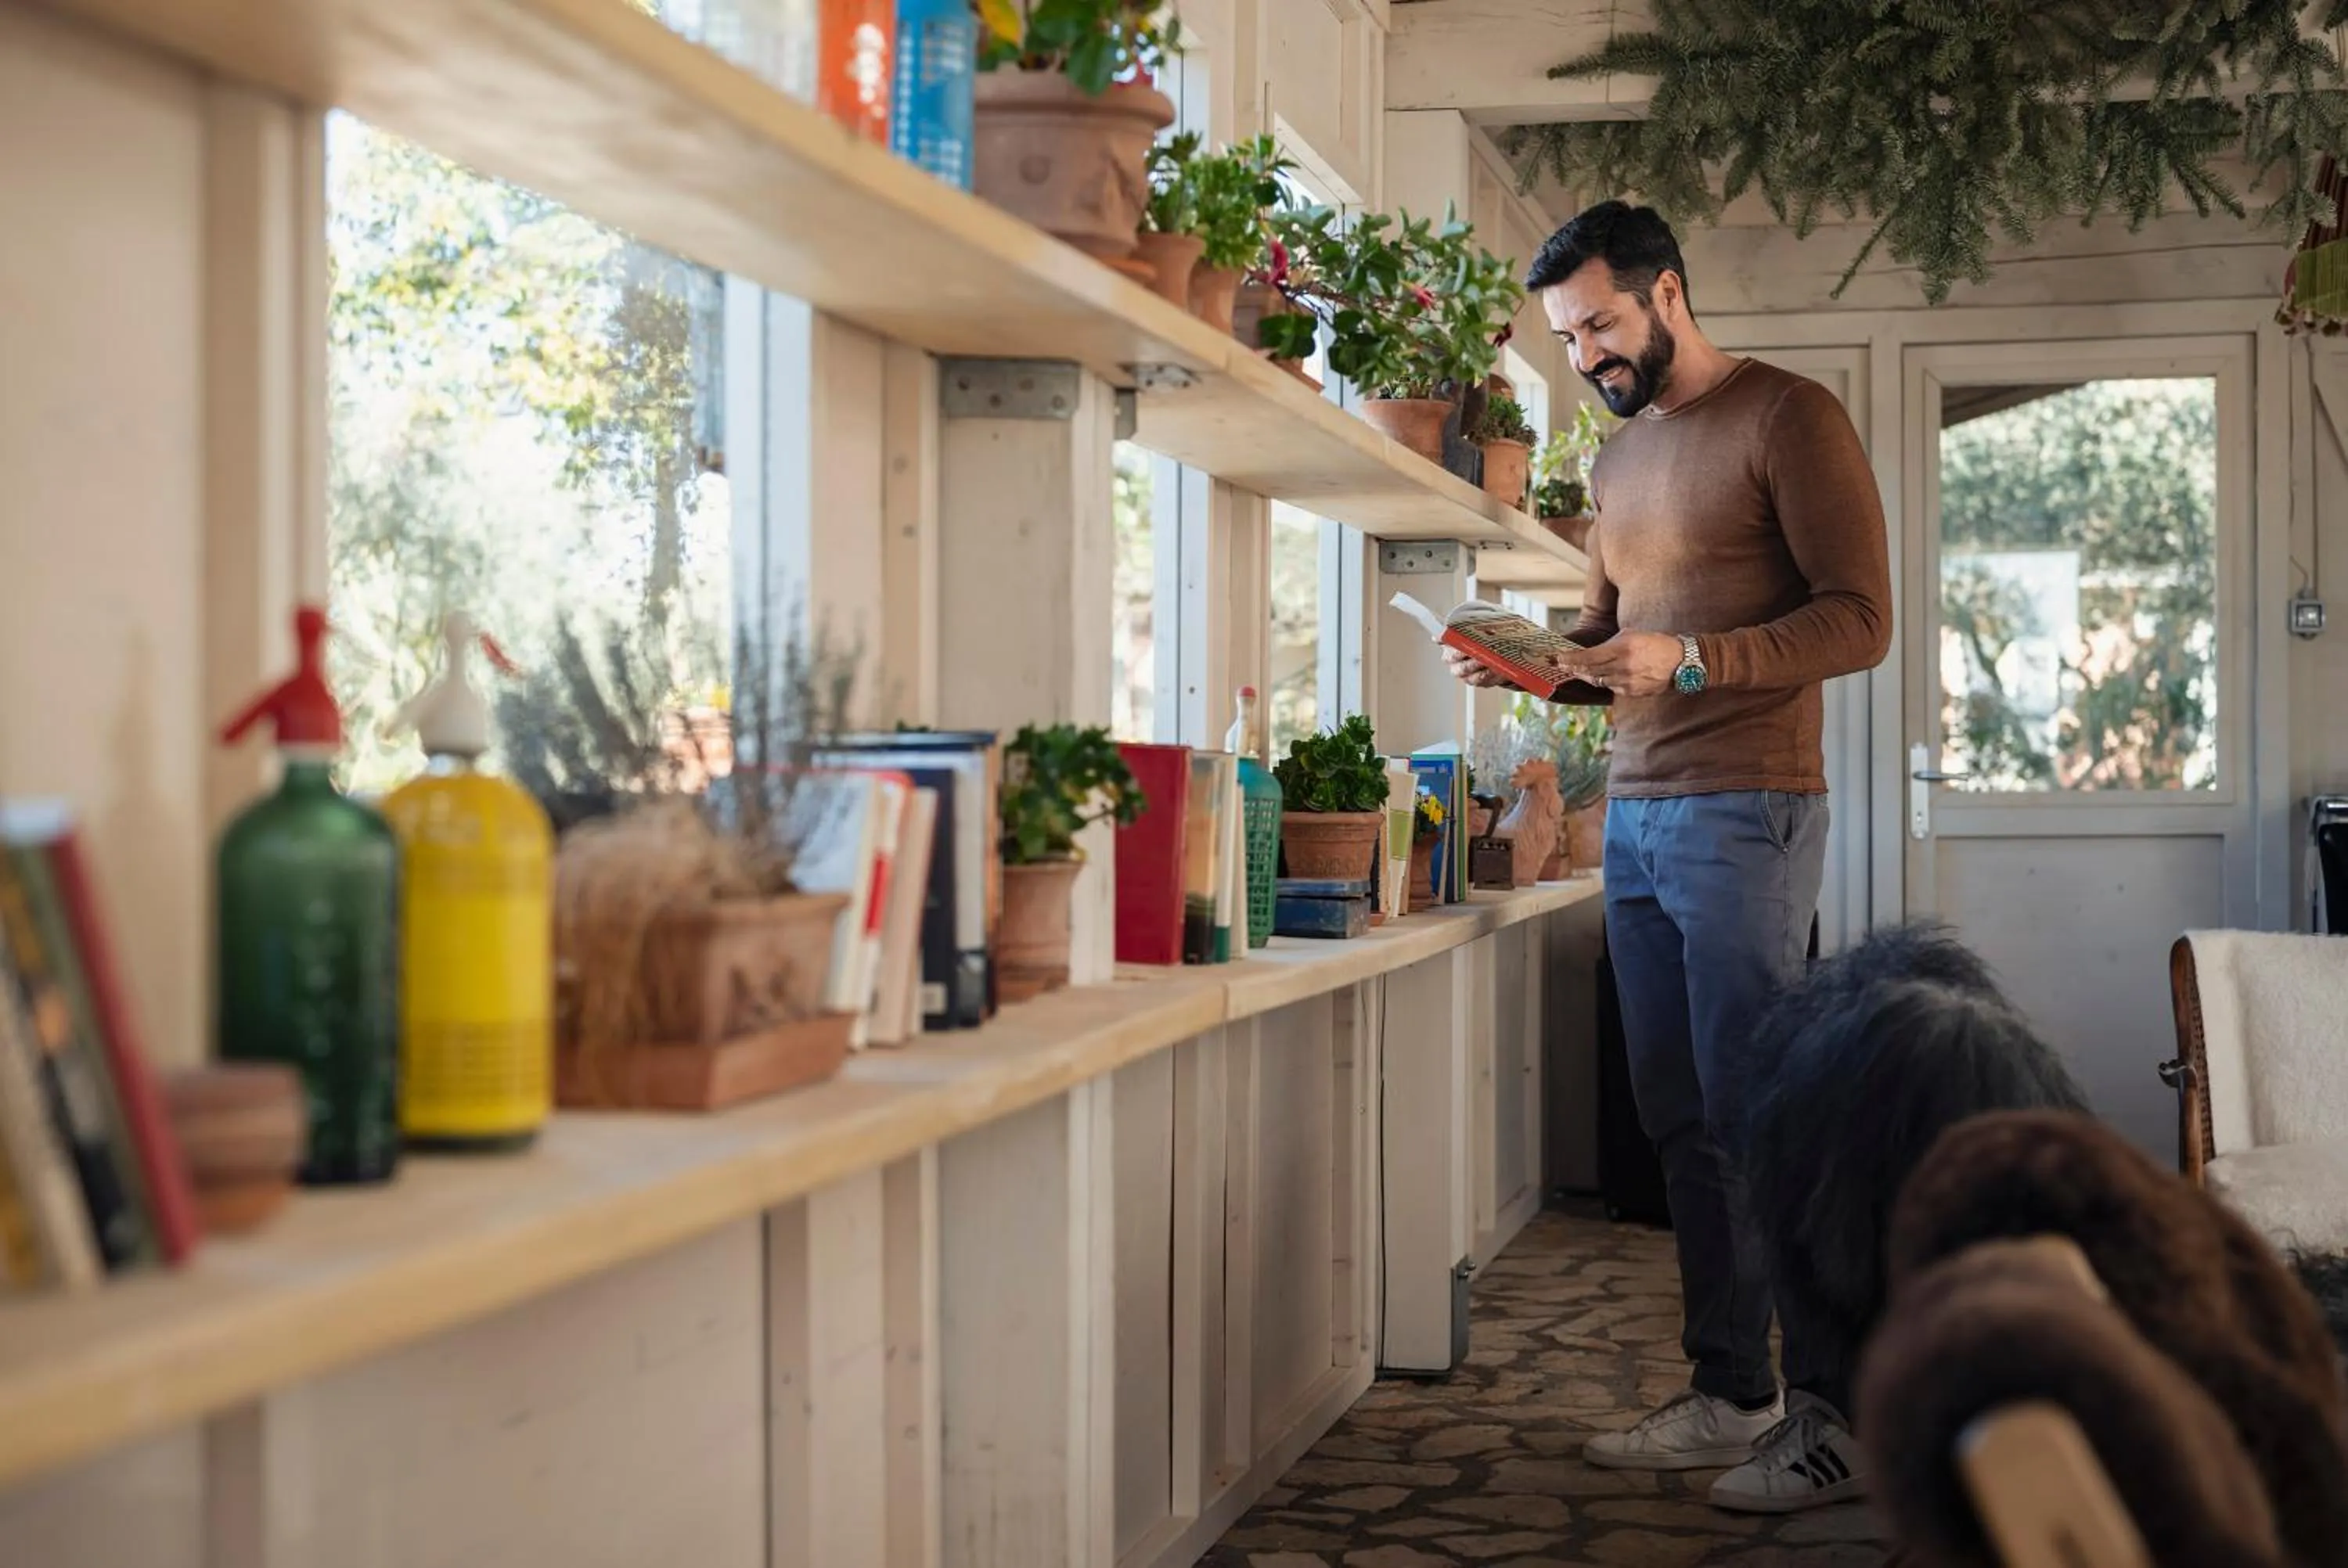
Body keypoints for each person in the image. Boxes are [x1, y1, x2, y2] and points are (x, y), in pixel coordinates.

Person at [1445, 200, 1892, 1511]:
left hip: (1750, 806)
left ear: (1668, 295)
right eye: (1566, 338)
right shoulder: (1621, 456)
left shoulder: (1790, 416)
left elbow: (1860, 619)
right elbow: (1609, 635)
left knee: (1763, 1115)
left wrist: (1692, 660)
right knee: (1681, 1121)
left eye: (1597, 324)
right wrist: (1536, 664)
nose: (1585, 353)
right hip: (1636, 818)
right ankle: (1733, 1391)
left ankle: (1833, 1420)